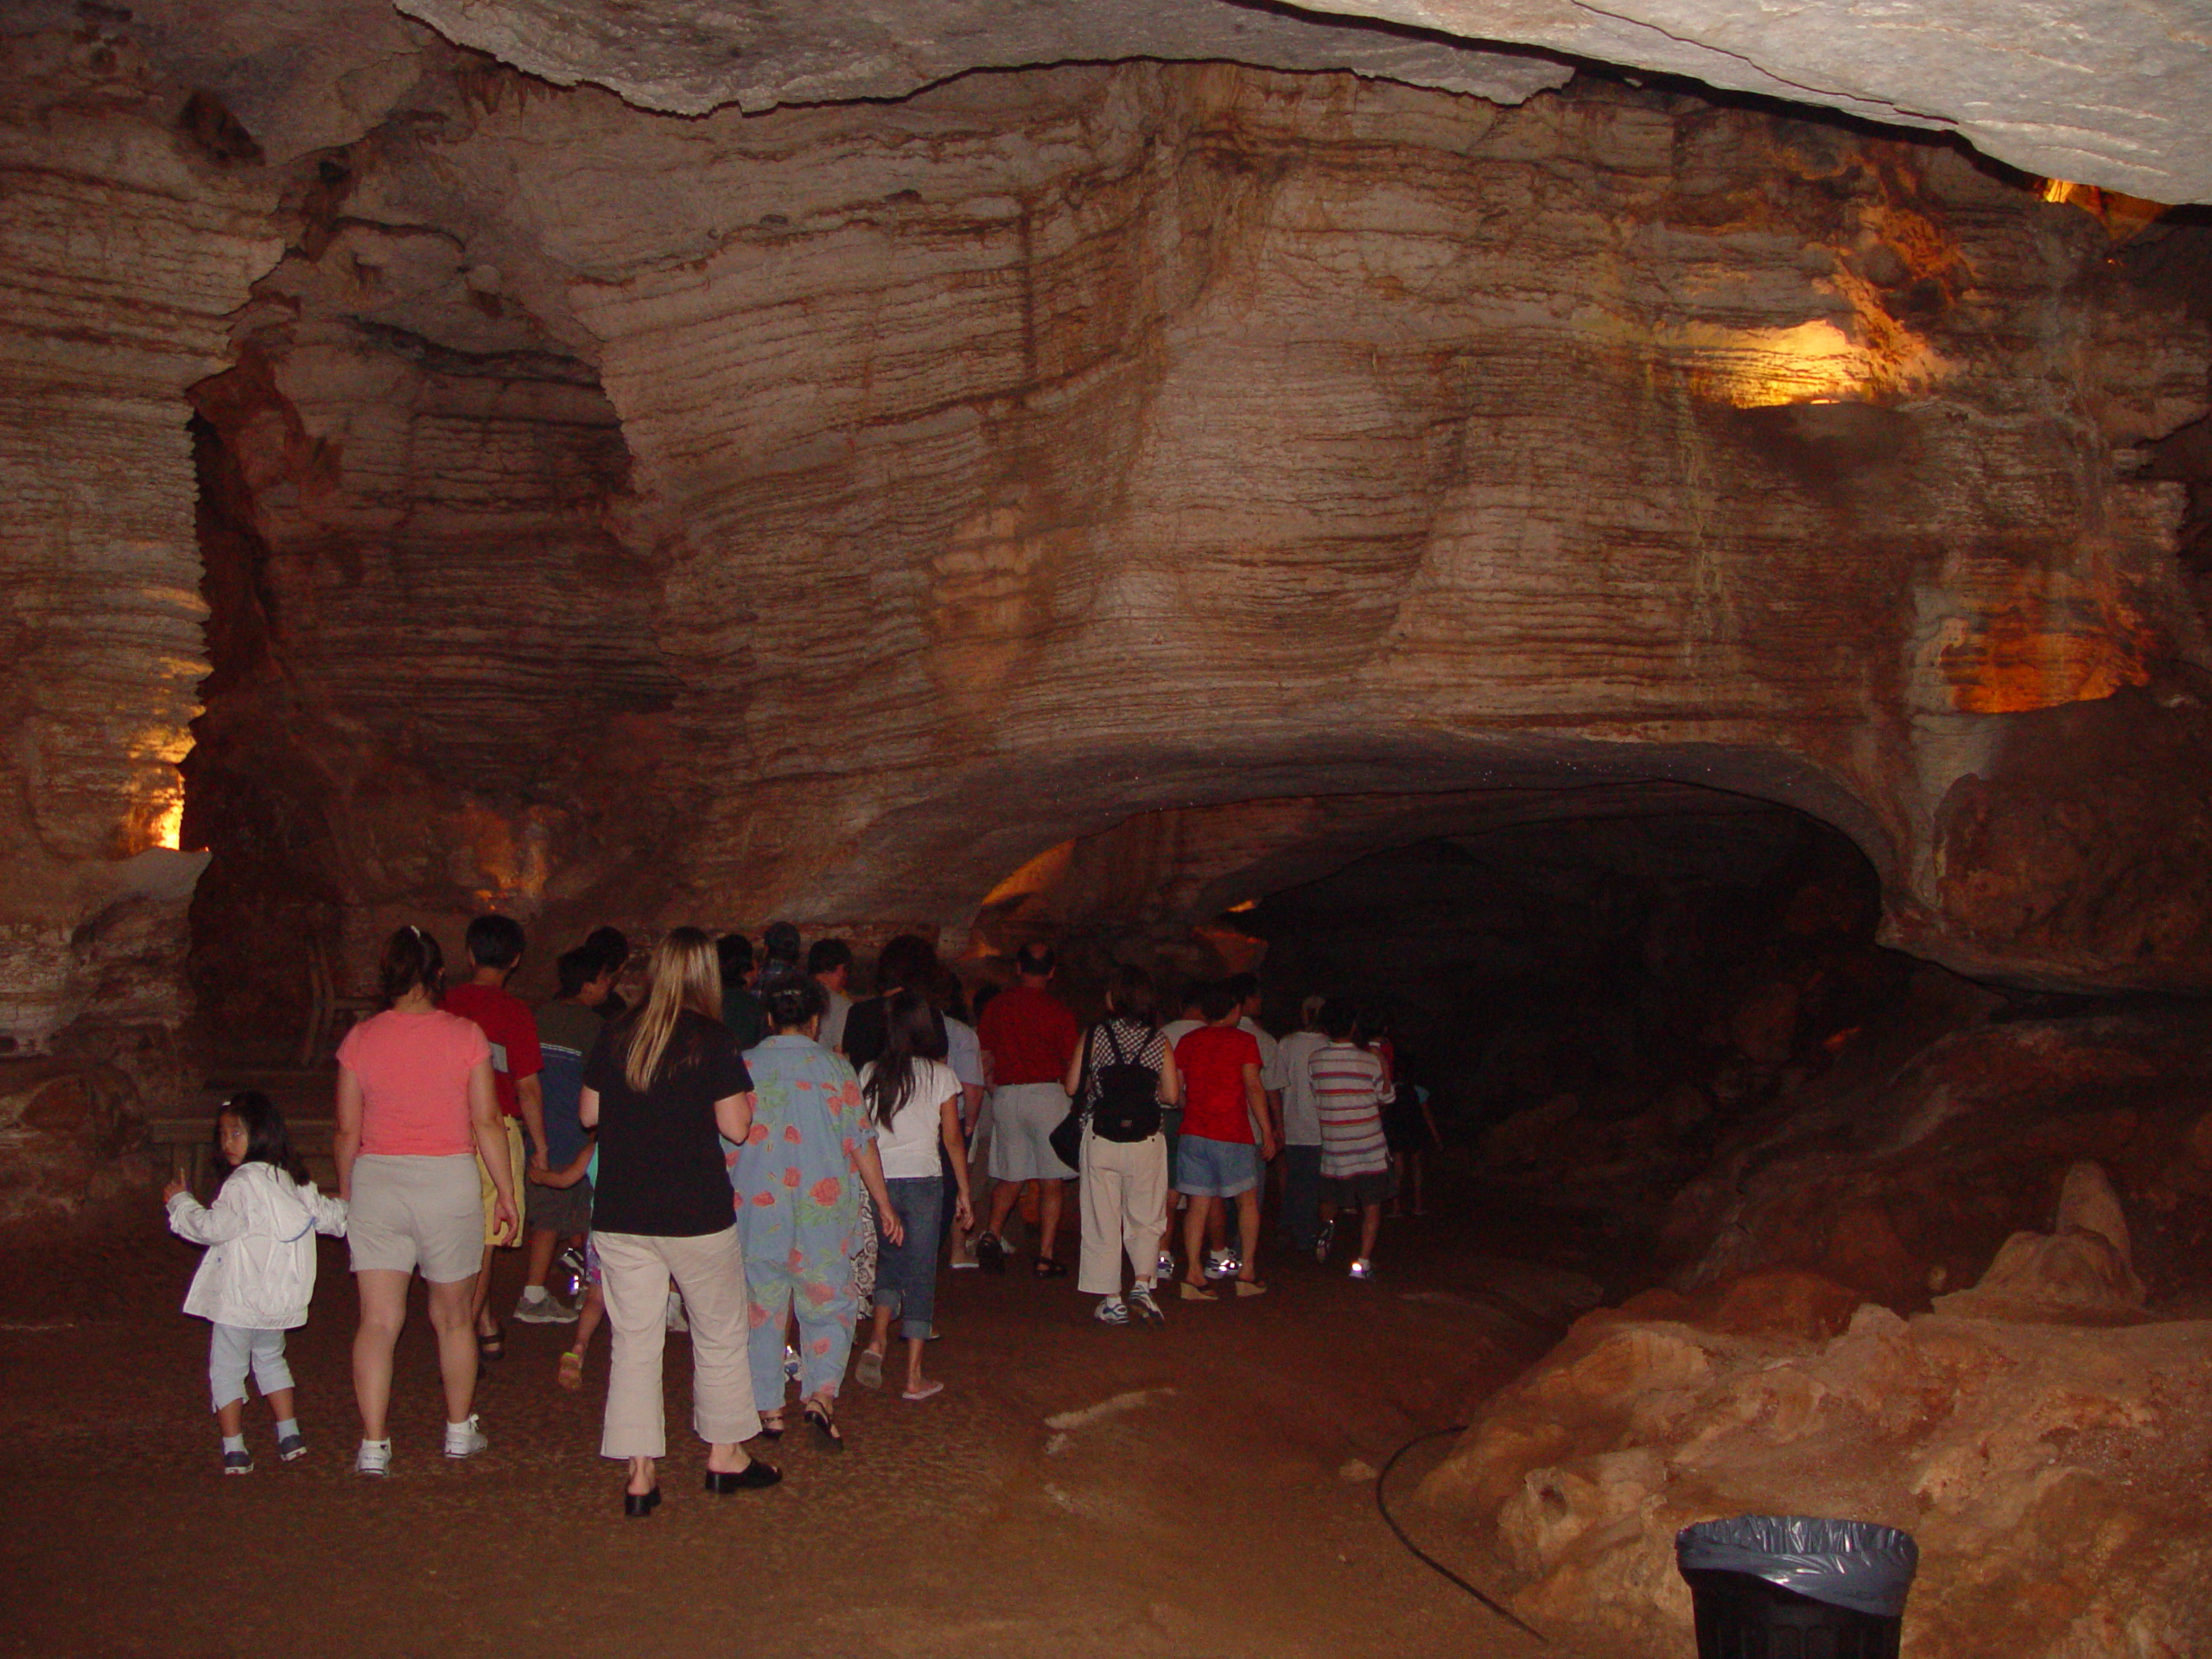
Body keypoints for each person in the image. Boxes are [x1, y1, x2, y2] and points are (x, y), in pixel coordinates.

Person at [582, 927, 777, 1516]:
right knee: (718, 1332)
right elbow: (737, 1128)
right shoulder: (712, 1038)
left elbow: (590, 1114)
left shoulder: (618, 1031)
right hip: (694, 1210)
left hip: (622, 1209)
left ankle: (640, 1474)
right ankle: (724, 1455)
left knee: (635, 1341)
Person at [334, 925, 518, 1476]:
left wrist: (348, 1192)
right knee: (455, 1318)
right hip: (447, 1182)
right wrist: (505, 1193)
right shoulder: (465, 1036)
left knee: (378, 1320)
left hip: (380, 1181)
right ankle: (459, 1431)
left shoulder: (360, 1040)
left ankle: (373, 1444)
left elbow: (347, 1130)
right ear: (439, 974)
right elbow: (486, 1119)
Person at [730, 971, 898, 1449]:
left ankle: (768, 1409)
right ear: (817, 1019)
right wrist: (884, 1203)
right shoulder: (835, 1069)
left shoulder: (741, 1066)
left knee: (761, 1307)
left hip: (759, 1207)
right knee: (829, 1304)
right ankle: (821, 1397)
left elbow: (725, 1142)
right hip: (822, 1209)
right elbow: (861, 1141)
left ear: (767, 1016)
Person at [163, 1091, 348, 1472]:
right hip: (279, 1303)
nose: (226, 1143)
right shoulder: (292, 1181)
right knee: (270, 1359)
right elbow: (331, 1216)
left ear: (260, 1135)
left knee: (227, 1369)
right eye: (224, 1135)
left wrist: (180, 1203)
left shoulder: (241, 1184)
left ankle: (234, 1447)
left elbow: (213, 1228)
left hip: (238, 1300)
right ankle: (289, 1433)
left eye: (235, 1134)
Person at [855, 989, 971, 1400]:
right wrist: (965, 1192)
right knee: (921, 1271)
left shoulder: (869, 1071)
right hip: (923, 1180)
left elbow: (861, 1132)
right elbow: (953, 1139)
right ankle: (914, 1375)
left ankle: (877, 1340)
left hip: (881, 1182)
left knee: (890, 1258)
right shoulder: (940, 1075)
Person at [441, 912, 546, 1361]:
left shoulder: (444, 1005)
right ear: (516, 960)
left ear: (469, 954)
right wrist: (540, 1145)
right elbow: (526, 1087)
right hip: (494, 1131)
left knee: (452, 1233)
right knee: (485, 1237)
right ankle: (463, 1330)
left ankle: (478, 1318)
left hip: (443, 1128)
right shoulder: (515, 1013)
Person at [1065, 965, 1179, 1325]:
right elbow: (1172, 1096)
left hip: (1101, 1137)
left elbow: (1071, 1087)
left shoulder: (1095, 1035)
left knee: (1103, 1217)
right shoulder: (1159, 1041)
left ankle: (1111, 1298)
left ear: (1115, 997)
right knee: (1146, 1216)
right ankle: (1142, 1286)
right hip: (1146, 1139)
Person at [974, 944, 1081, 1275]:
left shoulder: (997, 1006)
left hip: (1007, 1094)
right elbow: (1070, 1060)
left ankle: (991, 1234)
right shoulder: (1058, 1011)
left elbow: (985, 1055)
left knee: (1011, 1174)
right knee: (1051, 1180)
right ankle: (1046, 1255)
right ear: (1051, 971)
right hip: (1047, 1094)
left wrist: (994, 1089)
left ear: (1019, 967)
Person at [518, 944, 610, 1325]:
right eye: (605, 979)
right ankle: (539, 1294)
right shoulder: (593, 1027)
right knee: (573, 1220)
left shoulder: (538, 1016)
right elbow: (600, 1082)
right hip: (573, 1133)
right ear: (588, 986)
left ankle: (558, 1290)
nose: (607, 987)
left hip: (539, 1128)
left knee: (552, 1219)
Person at [1170, 980, 1273, 1300]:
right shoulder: (1244, 1041)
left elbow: (1177, 1090)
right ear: (1234, 1010)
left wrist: (1194, 1107)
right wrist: (1267, 1131)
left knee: (1197, 1205)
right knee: (1246, 1201)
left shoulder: (1188, 1041)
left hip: (1195, 1133)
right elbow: (1254, 1087)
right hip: (1232, 1132)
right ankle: (1247, 1271)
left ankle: (1193, 1273)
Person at [1312, 1000, 1394, 1278]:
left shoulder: (1316, 1060)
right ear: (1355, 1026)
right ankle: (1362, 1262)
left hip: (1335, 1144)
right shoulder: (1369, 1059)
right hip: (1368, 1145)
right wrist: (1383, 1068)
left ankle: (1327, 1227)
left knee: (1330, 1195)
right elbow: (1386, 1097)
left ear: (1324, 1028)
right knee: (1371, 1204)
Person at [526, 1141, 606, 1390]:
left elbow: (566, 1179)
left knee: (595, 1296)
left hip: (604, 1232)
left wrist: (540, 1176)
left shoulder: (596, 1147)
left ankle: (578, 1349)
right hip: (641, 1235)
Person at [1274, 995, 1329, 1259]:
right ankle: (1305, 1233)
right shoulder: (1327, 1044)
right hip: (1318, 1125)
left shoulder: (1287, 1043)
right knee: (1311, 1182)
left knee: (1297, 1179)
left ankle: (1290, 1224)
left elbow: (1277, 1083)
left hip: (1292, 1120)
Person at [808, 938, 855, 1052]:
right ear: (839, 968)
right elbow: (840, 1051)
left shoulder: (795, 994)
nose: (845, 977)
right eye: (845, 970)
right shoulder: (842, 1006)